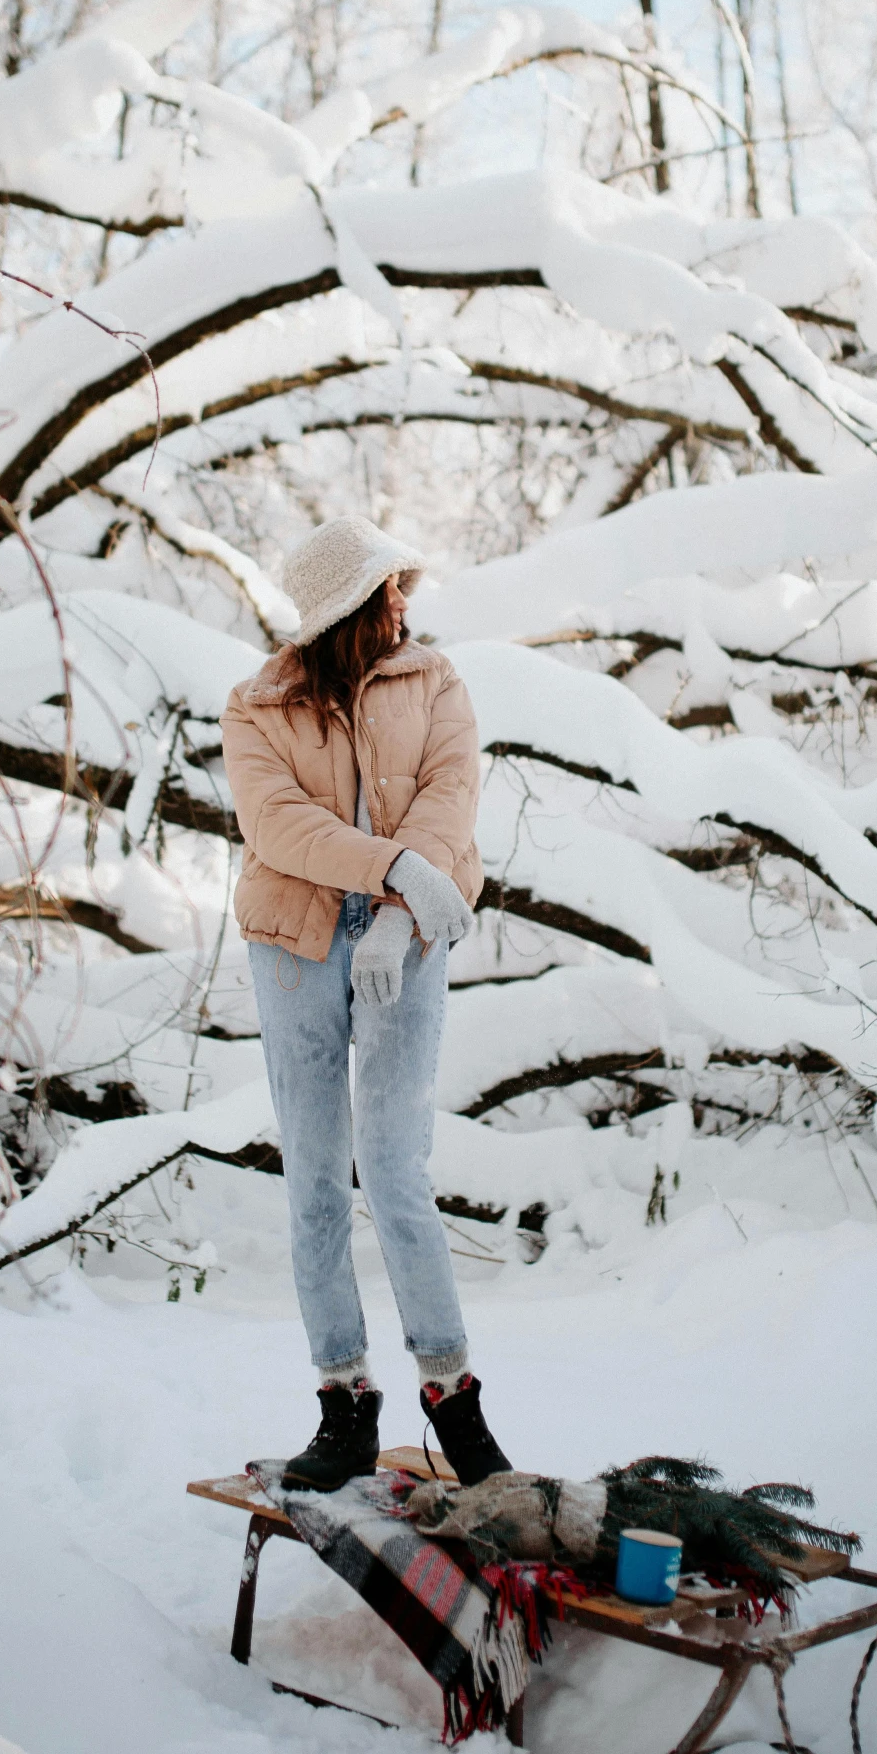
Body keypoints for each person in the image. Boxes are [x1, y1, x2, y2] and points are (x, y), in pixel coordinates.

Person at [221, 515, 513, 1493]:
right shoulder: (256, 705)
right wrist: (387, 867)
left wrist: (399, 910)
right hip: (295, 944)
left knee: (393, 1165)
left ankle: (451, 1397)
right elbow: (278, 827)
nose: (403, 602)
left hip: (410, 936)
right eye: (385, 588)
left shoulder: (433, 682)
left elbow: (449, 794)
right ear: (343, 606)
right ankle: (342, 1405)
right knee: (314, 1176)